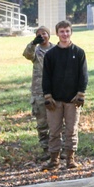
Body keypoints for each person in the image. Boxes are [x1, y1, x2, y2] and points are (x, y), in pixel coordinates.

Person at [41, 19, 88, 170]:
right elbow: (46, 77)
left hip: (72, 100)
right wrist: (47, 96)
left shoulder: (79, 52)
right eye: (62, 31)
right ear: (57, 33)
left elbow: (83, 75)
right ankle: (54, 160)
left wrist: (81, 93)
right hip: (55, 100)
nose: (65, 34)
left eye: (67, 31)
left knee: (71, 130)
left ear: (71, 32)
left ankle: (70, 159)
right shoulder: (50, 55)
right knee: (54, 131)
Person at [23, 25, 54, 161]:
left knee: (58, 122)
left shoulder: (55, 49)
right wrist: (33, 43)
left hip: (55, 90)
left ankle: (61, 149)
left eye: (44, 33)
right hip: (39, 91)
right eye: (39, 34)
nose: (42, 36)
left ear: (49, 35)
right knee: (42, 123)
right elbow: (27, 55)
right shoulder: (36, 51)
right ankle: (46, 149)